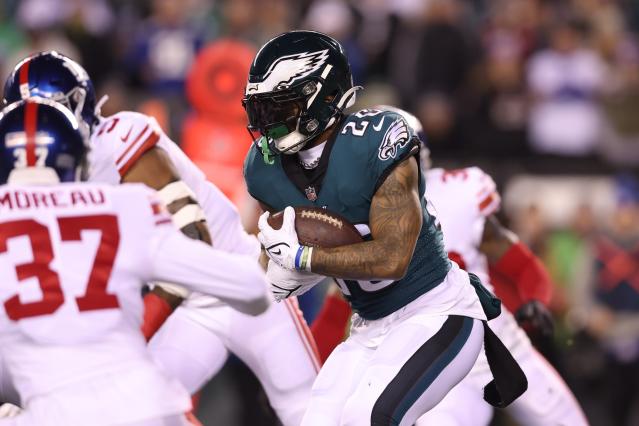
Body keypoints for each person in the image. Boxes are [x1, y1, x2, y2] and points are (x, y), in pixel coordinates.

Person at [3, 51, 319, 425]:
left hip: (229, 275)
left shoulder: (120, 138)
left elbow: (192, 236)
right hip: (185, 308)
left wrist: (132, 335)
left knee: (309, 412)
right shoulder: (34, 187)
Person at [243, 30, 525, 425]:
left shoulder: (375, 140)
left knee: (372, 416)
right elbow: (281, 256)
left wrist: (306, 259)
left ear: (323, 95)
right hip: (368, 326)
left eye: (281, 107)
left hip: (437, 313)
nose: (268, 124)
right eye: (262, 111)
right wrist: (280, 274)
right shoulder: (264, 168)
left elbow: (393, 258)